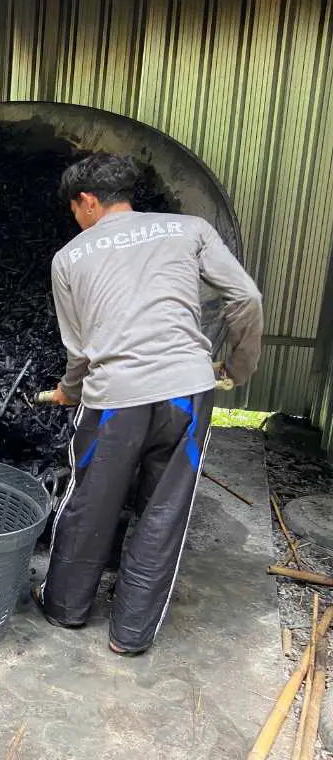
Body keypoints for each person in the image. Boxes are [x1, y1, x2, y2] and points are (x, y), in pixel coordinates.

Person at [33, 153, 264, 656]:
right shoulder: (190, 229)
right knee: (165, 509)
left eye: (75, 208)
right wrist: (236, 369)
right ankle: (130, 635)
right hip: (187, 393)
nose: (76, 218)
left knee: (91, 499)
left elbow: (80, 352)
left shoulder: (69, 257)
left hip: (115, 399)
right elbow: (246, 299)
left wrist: (68, 392)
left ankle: (64, 609)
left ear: (87, 201)